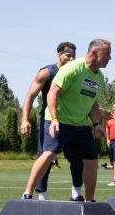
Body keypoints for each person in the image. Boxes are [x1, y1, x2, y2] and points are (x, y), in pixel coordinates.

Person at [45, 39, 111, 203]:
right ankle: (29, 195)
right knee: (48, 155)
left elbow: (91, 102)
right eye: (107, 53)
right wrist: (52, 119)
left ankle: (89, 201)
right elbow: (50, 93)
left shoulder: (99, 77)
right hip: (58, 119)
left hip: (80, 124)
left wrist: (96, 124)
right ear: (94, 53)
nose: (110, 57)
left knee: (90, 161)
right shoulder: (66, 70)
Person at [19, 42, 77, 200]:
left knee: (78, 157)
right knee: (46, 157)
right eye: (68, 55)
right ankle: (41, 195)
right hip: (50, 121)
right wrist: (24, 120)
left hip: (73, 122)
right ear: (58, 54)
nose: (72, 59)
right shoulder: (47, 73)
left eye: (74, 55)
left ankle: (76, 193)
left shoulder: (77, 73)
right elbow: (30, 96)